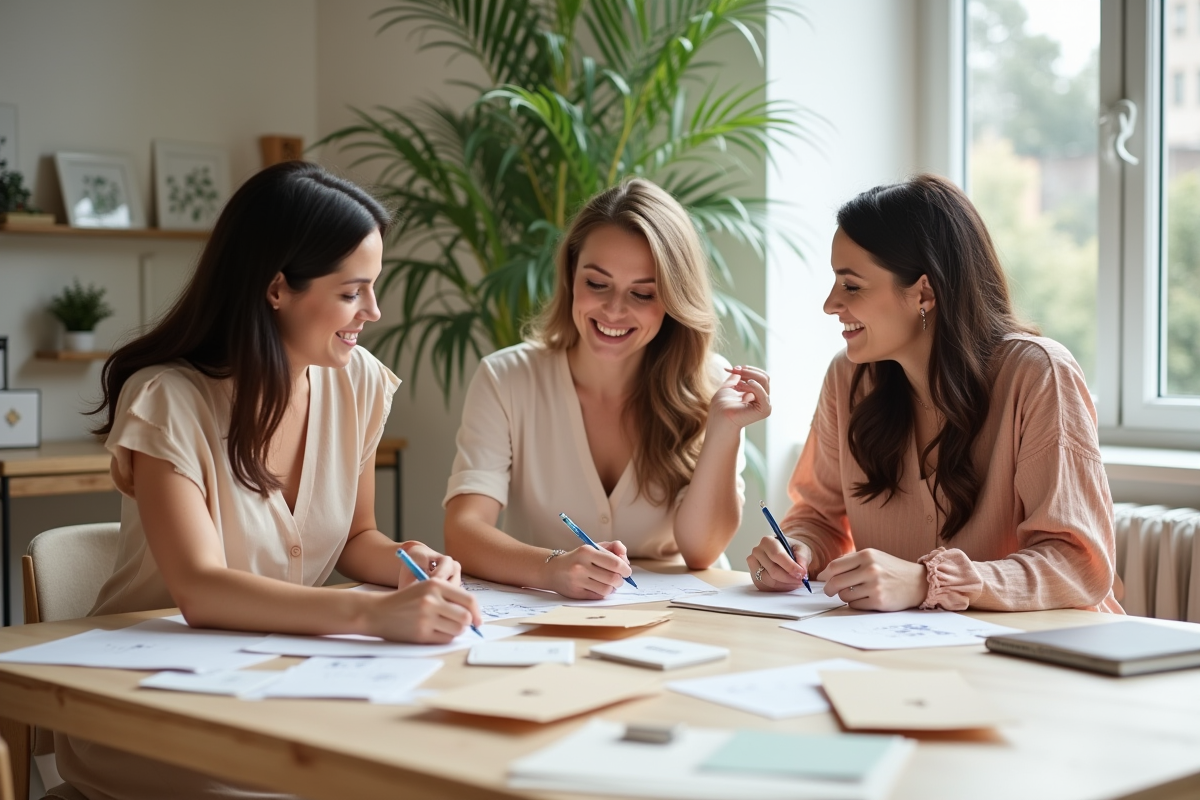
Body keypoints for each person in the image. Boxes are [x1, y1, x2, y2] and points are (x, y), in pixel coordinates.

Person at [56, 161, 480, 800]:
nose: (374, 310)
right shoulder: (168, 399)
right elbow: (200, 590)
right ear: (277, 287)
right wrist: (373, 611)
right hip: (149, 702)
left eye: (373, 287)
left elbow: (355, 536)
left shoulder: (358, 381)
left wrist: (406, 563)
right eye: (351, 291)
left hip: (279, 680)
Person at [749, 174, 1122, 614]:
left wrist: (930, 582)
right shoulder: (847, 379)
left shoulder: (1039, 375)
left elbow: (1078, 563)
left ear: (924, 292)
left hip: (1041, 655)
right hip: (902, 653)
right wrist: (798, 550)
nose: (830, 304)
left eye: (851, 285)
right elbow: (819, 516)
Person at [443, 178, 770, 599]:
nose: (615, 310)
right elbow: (464, 532)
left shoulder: (712, 383)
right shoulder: (506, 378)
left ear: (673, 299)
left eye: (643, 293)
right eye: (597, 284)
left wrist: (725, 430)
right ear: (570, 275)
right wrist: (552, 569)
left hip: (681, 618)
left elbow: (702, 551)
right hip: (549, 613)